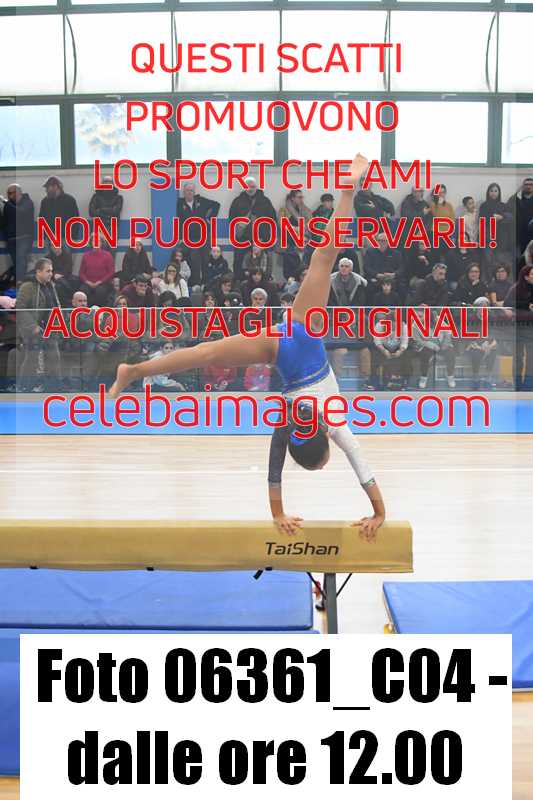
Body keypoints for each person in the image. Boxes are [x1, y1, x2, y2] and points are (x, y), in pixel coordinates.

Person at [109, 153, 386, 540]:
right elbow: (275, 470)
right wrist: (278, 514)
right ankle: (134, 370)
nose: (327, 461)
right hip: (282, 349)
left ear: (323, 437)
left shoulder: (334, 425)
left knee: (323, 257)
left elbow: (359, 465)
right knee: (207, 351)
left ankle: (347, 191)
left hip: (300, 335)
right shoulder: (289, 424)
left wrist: (379, 513)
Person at [16, 258, 62, 391]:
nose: (51, 274)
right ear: (38, 271)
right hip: (33, 330)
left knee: (54, 357)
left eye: (51, 271)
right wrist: (33, 327)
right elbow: (20, 307)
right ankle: (24, 387)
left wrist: (58, 325)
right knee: (32, 358)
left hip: (49, 328)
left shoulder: (50, 286)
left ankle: (53, 387)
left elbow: (56, 306)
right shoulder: (27, 286)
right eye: (48, 271)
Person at [229, 177, 277, 280]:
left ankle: (263, 281)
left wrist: (266, 235)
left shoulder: (265, 201)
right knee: (239, 262)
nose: (250, 189)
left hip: (261, 238)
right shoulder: (237, 201)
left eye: (252, 186)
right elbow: (231, 219)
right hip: (242, 239)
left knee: (263, 263)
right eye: (248, 186)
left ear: (256, 187)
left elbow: (273, 219)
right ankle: (240, 282)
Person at [176, 182, 220, 285]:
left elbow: (216, 205)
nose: (189, 192)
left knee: (206, 259)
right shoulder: (180, 204)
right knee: (194, 259)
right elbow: (179, 222)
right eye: (187, 190)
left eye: (191, 190)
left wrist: (210, 218)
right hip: (190, 238)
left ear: (194, 192)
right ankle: (195, 283)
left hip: (204, 235)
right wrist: (181, 237)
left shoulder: (201, 201)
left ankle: (206, 283)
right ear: (184, 192)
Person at [504, 264, 533, 390]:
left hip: (531, 328)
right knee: (518, 357)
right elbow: (507, 304)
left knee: (531, 358)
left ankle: (529, 384)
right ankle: (517, 384)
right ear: (526, 277)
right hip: (519, 327)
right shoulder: (516, 288)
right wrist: (526, 305)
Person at [0, 183, 34, 283]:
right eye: (8, 193)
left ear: (18, 192)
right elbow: (4, 222)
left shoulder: (27, 202)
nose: (9, 195)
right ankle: (17, 282)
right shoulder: (9, 205)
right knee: (16, 262)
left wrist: (5, 202)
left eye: (11, 193)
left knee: (21, 261)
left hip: (24, 238)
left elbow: (20, 212)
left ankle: (20, 282)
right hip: (11, 239)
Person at [38, 176, 80, 244]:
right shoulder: (45, 201)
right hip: (49, 238)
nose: (46, 190)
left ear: (56, 187)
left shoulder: (69, 200)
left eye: (48, 187)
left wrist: (72, 237)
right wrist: (44, 236)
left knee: (65, 251)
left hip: (66, 239)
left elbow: (75, 219)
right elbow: (42, 219)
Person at [88, 176, 123, 251]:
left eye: (109, 182)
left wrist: (100, 210)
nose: (107, 184)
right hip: (98, 227)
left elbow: (116, 211)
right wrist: (110, 211)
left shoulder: (119, 198)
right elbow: (91, 212)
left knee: (111, 252)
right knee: (96, 251)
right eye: (105, 182)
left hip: (112, 226)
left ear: (113, 184)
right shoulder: (95, 197)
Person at [79, 240, 115, 305]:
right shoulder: (85, 255)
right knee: (83, 290)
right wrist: (87, 282)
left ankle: (100, 310)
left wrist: (100, 282)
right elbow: (81, 273)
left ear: (101, 243)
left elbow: (111, 272)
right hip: (88, 283)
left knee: (100, 291)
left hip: (103, 283)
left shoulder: (108, 255)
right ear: (91, 242)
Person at [508, 177, 533, 256]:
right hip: (520, 236)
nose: (528, 186)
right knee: (519, 259)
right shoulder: (518, 200)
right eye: (526, 184)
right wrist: (518, 190)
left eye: (531, 184)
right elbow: (509, 203)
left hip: (531, 234)